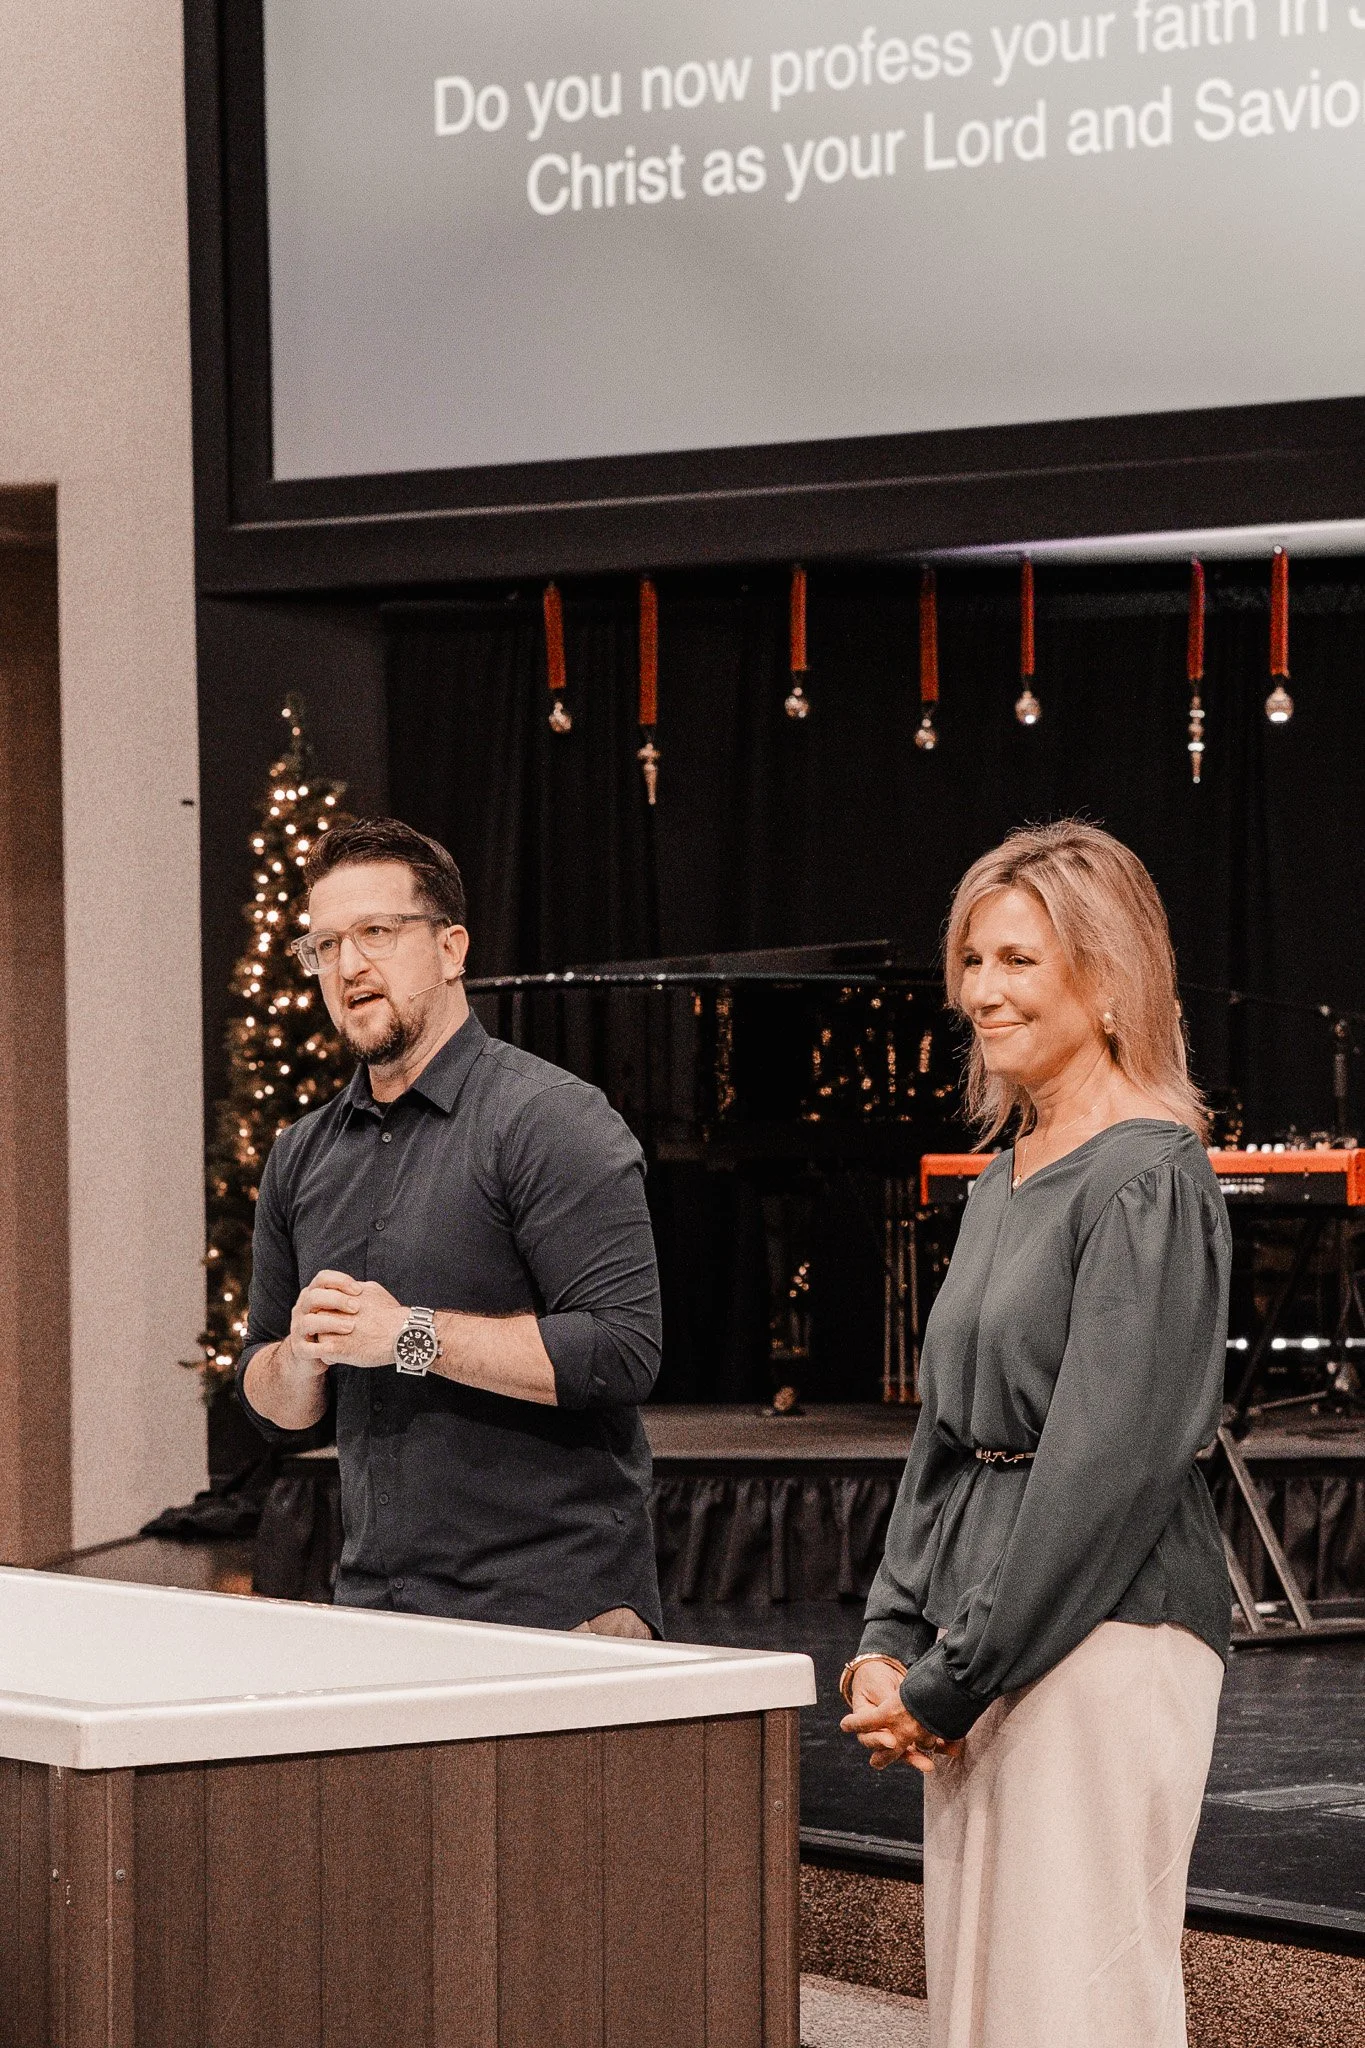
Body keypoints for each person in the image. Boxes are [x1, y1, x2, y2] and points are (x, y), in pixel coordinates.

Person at [840, 820, 1231, 2048]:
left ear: (1107, 979)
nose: (980, 992)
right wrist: (890, 1634)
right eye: (972, 959)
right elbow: (946, 1432)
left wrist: (950, 1678)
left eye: (1017, 959)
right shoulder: (1003, 1174)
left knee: (1071, 2001)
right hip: (982, 1637)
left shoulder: (1149, 1176)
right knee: (987, 2001)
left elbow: (1105, 1470)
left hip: (1102, 1633)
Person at [237, 816, 663, 1637]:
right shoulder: (301, 1154)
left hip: (555, 1610)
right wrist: (300, 1357)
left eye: (376, 933)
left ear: (450, 948)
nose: (348, 966)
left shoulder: (550, 1119)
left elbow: (620, 1351)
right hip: (376, 1610)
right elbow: (268, 1402)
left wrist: (407, 1336)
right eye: (325, 946)